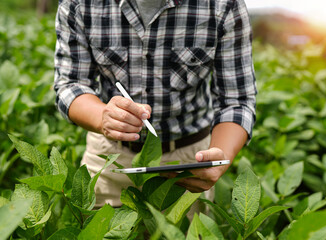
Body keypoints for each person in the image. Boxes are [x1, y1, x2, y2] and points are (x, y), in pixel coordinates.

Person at [54, 0, 256, 207]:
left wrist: (219, 157)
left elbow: (237, 101)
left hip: (187, 162)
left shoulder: (223, 5)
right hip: (108, 157)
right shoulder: (79, 3)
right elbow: (70, 83)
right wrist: (103, 116)